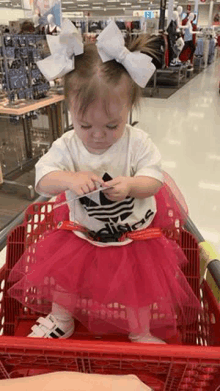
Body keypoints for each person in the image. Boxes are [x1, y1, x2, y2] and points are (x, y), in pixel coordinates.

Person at [7, 20, 200, 344]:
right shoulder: (68, 144)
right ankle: (61, 319)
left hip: (135, 238)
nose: (98, 135)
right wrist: (69, 177)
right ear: (70, 111)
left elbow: (154, 178)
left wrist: (131, 186)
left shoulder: (137, 142)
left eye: (112, 125)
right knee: (64, 279)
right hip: (81, 235)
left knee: (138, 288)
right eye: (85, 125)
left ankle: (140, 331)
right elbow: (43, 178)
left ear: (130, 108)